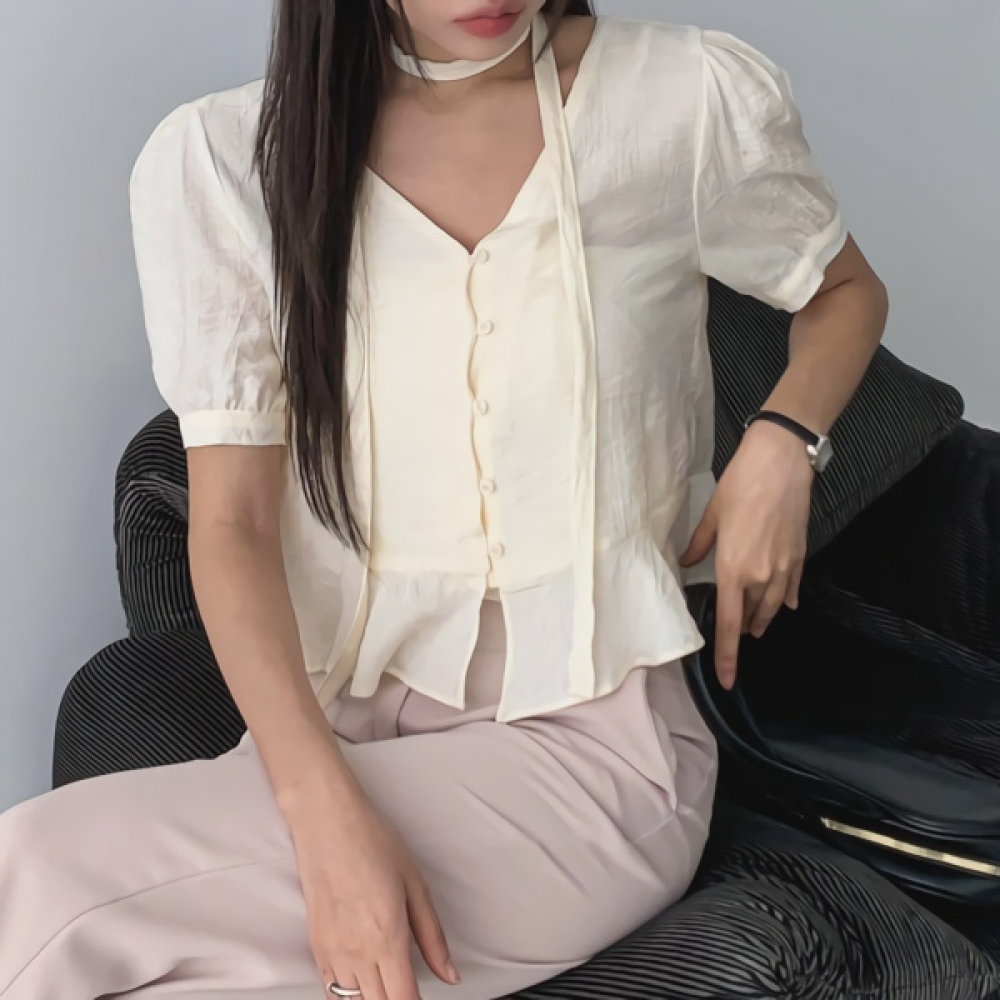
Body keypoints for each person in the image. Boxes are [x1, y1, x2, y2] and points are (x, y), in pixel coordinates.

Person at [0, 1, 889, 998]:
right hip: (337, 733)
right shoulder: (226, 162)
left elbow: (844, 291)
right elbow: (231, 526)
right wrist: (323, 816)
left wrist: (783, 440)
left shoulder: (683, 102)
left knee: (37, 881)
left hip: (592, 760)